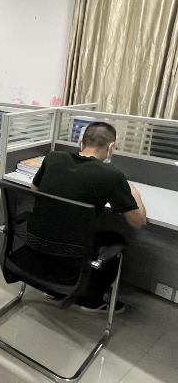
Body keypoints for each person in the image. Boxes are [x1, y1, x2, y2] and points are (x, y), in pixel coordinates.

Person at [31, 121, 147, 312]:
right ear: (111, 147)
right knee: (115, 239)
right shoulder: (112, 175)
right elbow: (138, 222)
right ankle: (92, 299)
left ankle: (57, 287)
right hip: (73, 252)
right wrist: (135, 194)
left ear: (81, 142)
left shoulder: (53, 158)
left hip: (36, 242)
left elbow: (34, 190)